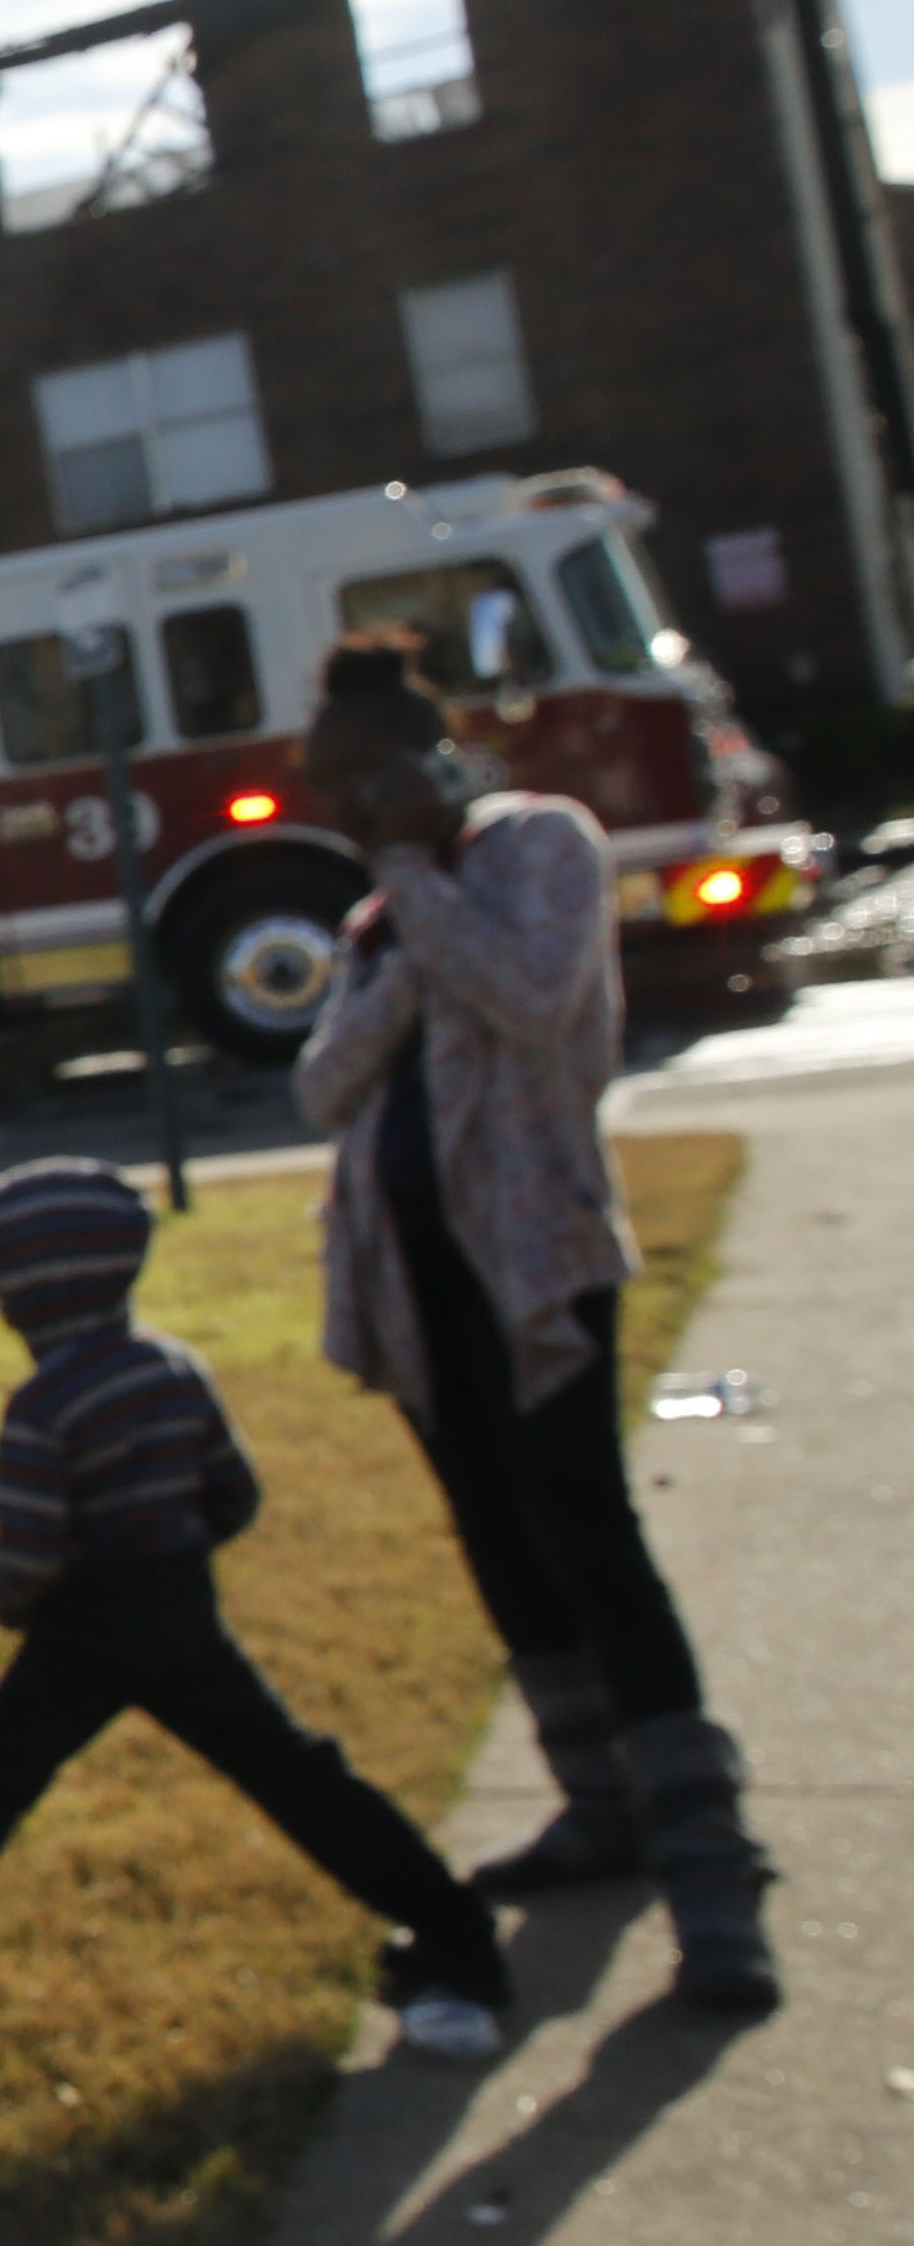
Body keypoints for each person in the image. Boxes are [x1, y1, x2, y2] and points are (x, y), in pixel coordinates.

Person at [290, 636, 778, 2011]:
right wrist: (398, 939)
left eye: (358, 779)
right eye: (331, 786)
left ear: (426, 757)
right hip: (413, 1280)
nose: (341, 809)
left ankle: (710, 1866)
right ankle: (597, 1805)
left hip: (533, 1259)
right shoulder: (378, 920)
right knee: (501, 1542)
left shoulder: (537, 846)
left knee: (586, 1532)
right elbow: (323, 1085)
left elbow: (531, 997)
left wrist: (411, 881)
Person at [0, 1162, 510, 2057]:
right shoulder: (174, 1370)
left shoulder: (42, 1408)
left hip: (80, 1633)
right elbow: (235, 1493)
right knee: (297, 1775)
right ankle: (454, 1929)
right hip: (182, 1611)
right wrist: (176, 1545)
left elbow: (31, 1554)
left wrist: (4, 1596)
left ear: (30, 1288)